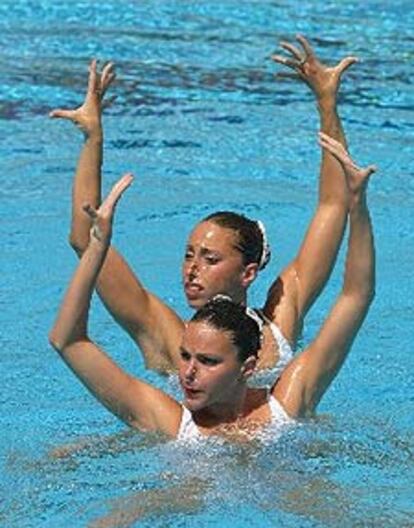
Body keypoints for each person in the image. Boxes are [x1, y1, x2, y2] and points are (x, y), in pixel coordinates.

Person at [49, 35, 358, 381]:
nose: (192, 270)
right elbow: (84, 238)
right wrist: (93, 140)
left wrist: (327, 103)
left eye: (210, 259)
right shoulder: (168, 336)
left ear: (249, 273)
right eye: (188, 255)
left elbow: (333, 207)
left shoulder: (278, 326)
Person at [49, 133, 376, 441]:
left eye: (207, 361)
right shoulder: (172, 422)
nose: (186, 374)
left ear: (248, 367)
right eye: (184, 356)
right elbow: (68, 341)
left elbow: (356, 295)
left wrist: (358, 205)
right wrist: (97, 247)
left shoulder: (285, 406)